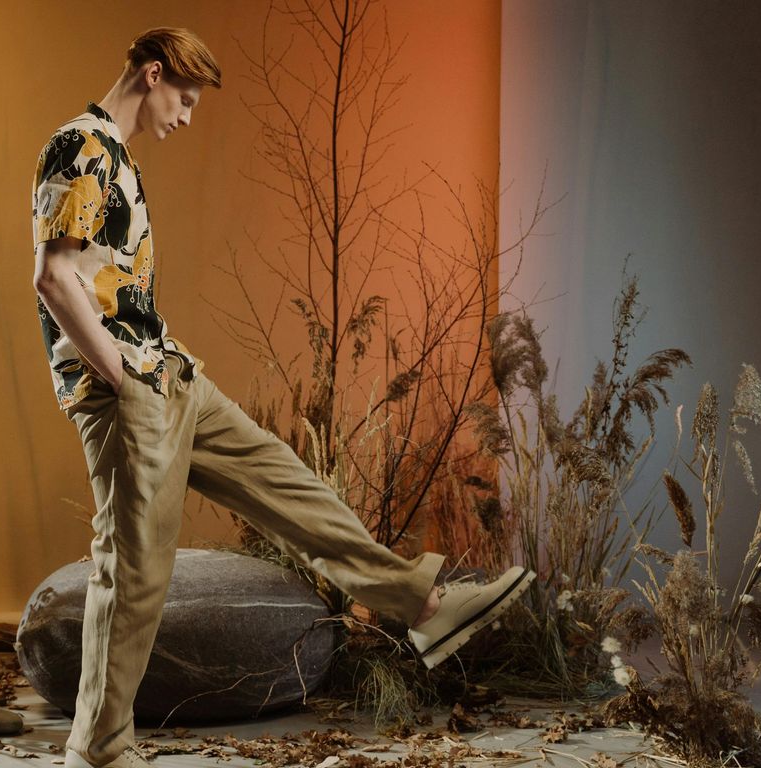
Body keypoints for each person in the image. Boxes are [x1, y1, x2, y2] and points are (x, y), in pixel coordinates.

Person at [29, 27, 534, 768]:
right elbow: (53, 276)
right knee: (132, 572)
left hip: (172, 377)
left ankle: (422, 605)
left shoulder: (119, 158)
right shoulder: (80, 146)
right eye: (186, 98)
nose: (188, 115)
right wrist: (118, 376)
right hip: (128, 390)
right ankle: (99, 751)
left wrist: (151, 371)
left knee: (295, 489)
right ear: (151, 73)